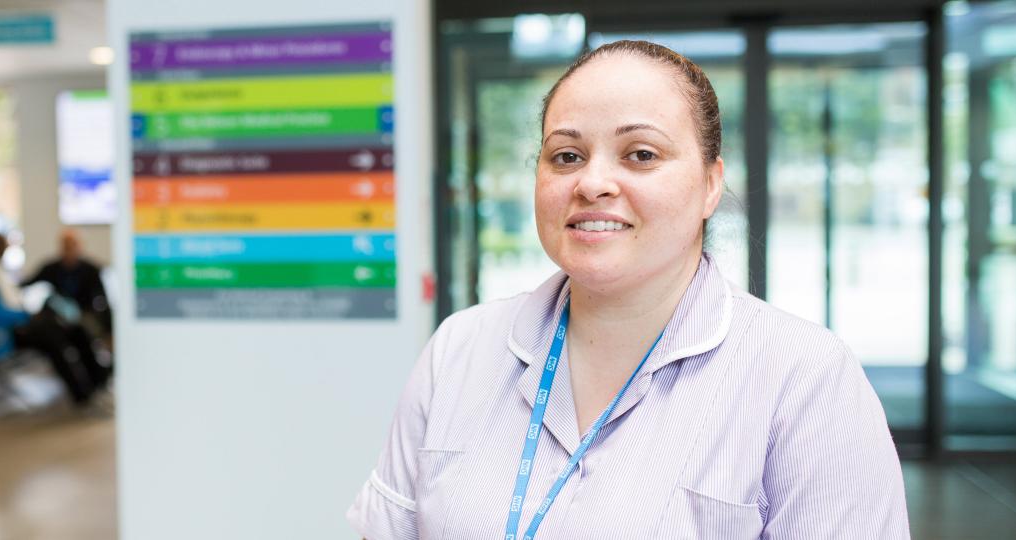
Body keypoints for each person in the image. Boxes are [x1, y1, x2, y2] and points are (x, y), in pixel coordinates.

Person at [347, 41, 908, 539]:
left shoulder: (806, 379)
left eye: (641, 154)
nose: (592, 183)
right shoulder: (460, 350)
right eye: (566, 156)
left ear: (711, 184)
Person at [0, 234, 109, 407]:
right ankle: (83, 396)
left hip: (14, 327)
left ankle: (98, 384)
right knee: (53, 337)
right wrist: (24, 315)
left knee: (74, 330)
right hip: (0, 336)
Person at [22, 228, 114, 349]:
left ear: (79, 247)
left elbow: (102, 298)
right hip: (58, 315)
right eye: (66, 246)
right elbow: (27, 283)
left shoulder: (91, 270)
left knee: (85, 331)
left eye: (72, 246)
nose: (69, 250)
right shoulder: (51, 268)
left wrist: (109, 330)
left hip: (84, 313)